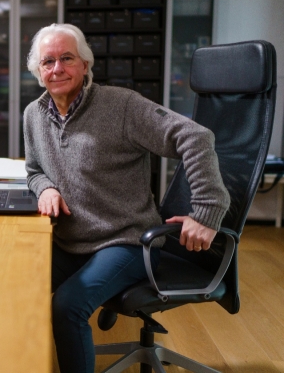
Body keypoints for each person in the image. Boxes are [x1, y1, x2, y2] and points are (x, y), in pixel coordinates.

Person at [22, 23, 231, 373]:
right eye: (48, 61)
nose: (57, 69)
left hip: (127, 241)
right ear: (38, 71)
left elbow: (196, 137)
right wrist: (46, 188)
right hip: (70, 240)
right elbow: (32, 170)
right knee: (15, 279)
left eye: (67, 58)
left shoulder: (121, 106)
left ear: (85, 65)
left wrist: (208, 210)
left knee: (67, 306)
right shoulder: (33, 115)